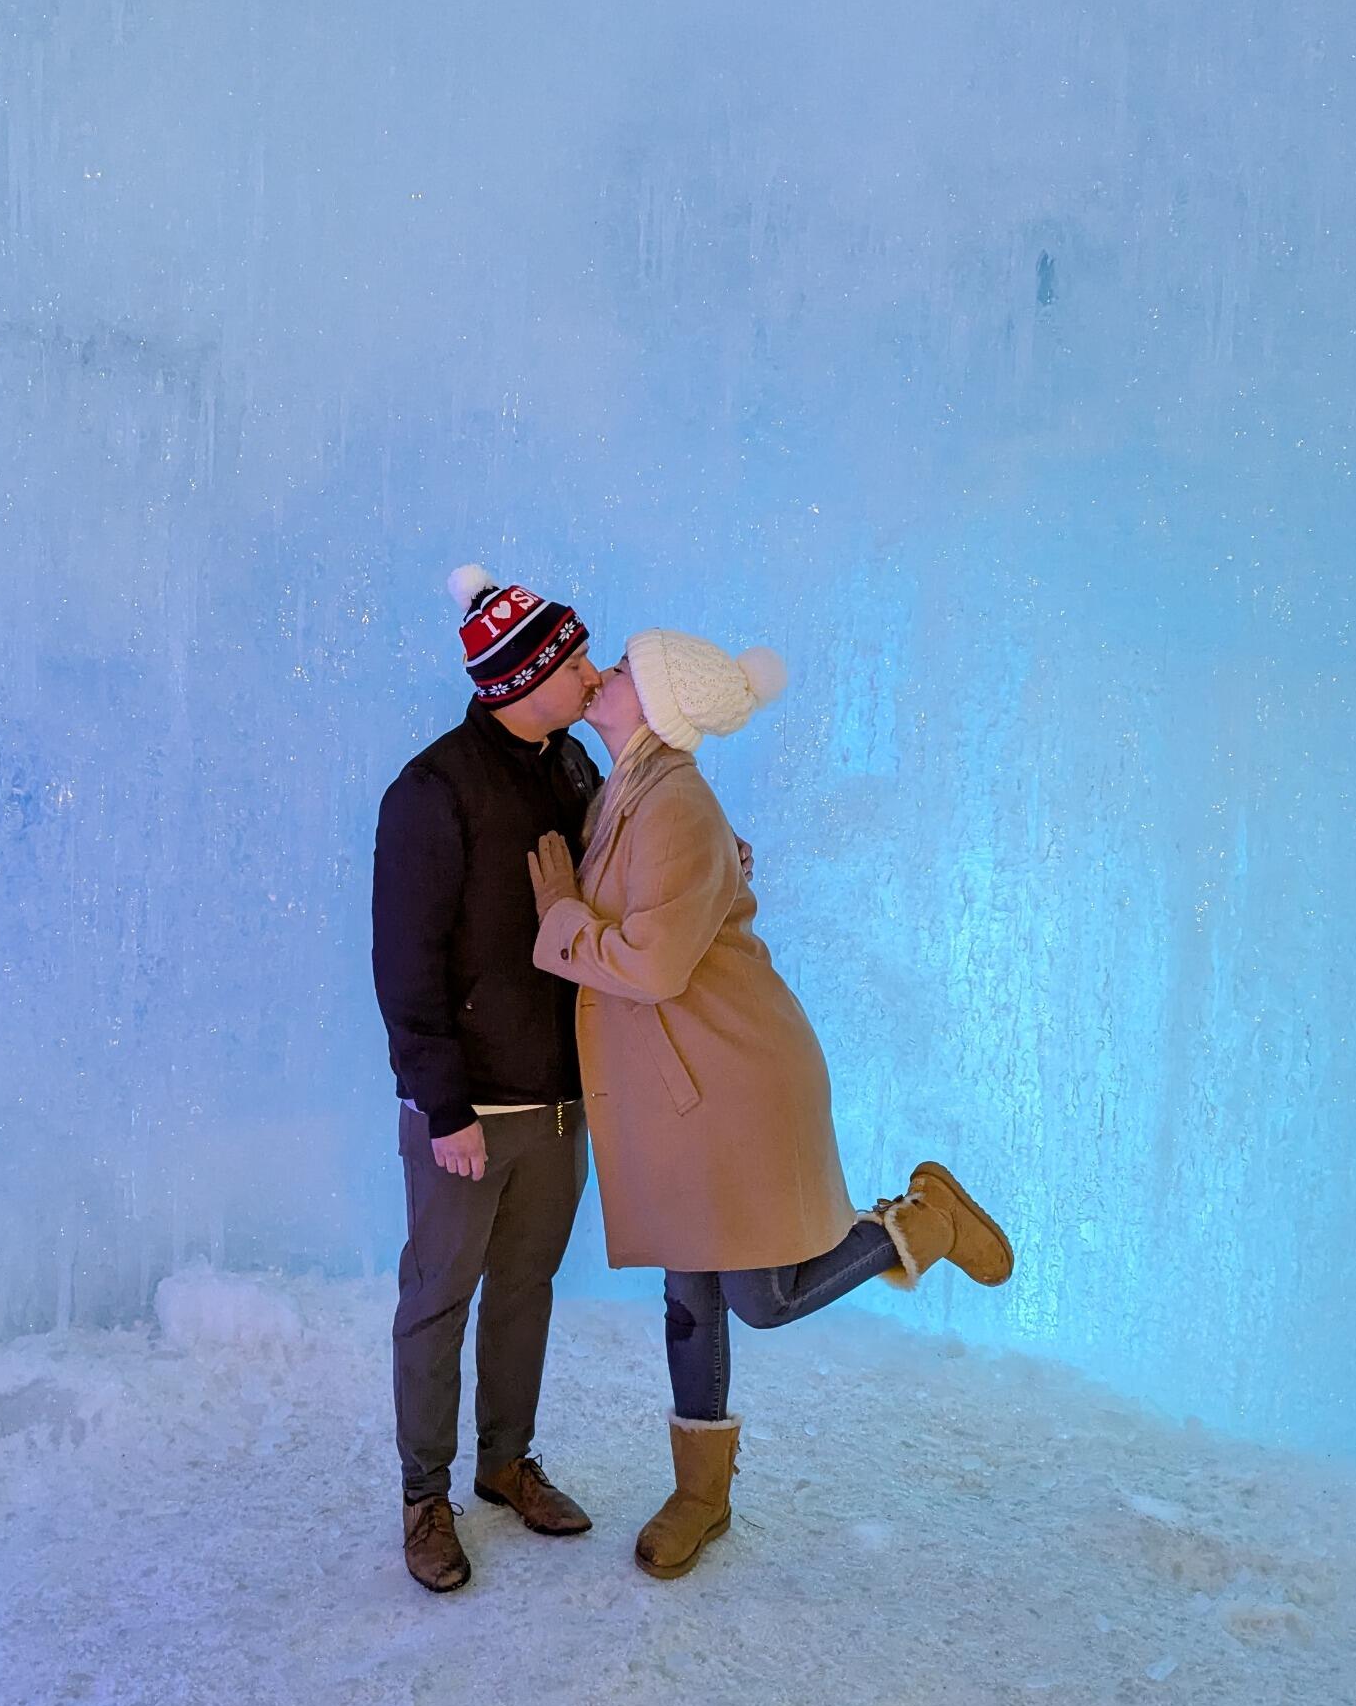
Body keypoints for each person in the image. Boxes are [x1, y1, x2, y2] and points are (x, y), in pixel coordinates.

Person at [527, 632, 1014, 1581]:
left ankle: (926, 1221)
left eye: (624, 668)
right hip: (685, 1085)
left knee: (762, 1295)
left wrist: (558, 916)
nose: (606, 676)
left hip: (735, 1082)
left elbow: (654, 963)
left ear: (659, 703)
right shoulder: (625, 788)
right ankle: (700, 1495)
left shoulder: (675, 803)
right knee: (691, 1289)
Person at [372, 566, 604, 1594]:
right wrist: (443, 1106)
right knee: (438, 1298)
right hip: (471, 1112)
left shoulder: (572, 764)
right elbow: (404, 962)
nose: (594, 676)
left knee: (525, 1289)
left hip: (561, 1102)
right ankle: (426, 1498)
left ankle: (507, 1461)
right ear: (528, 675)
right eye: (578, 661)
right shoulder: (429, 790)